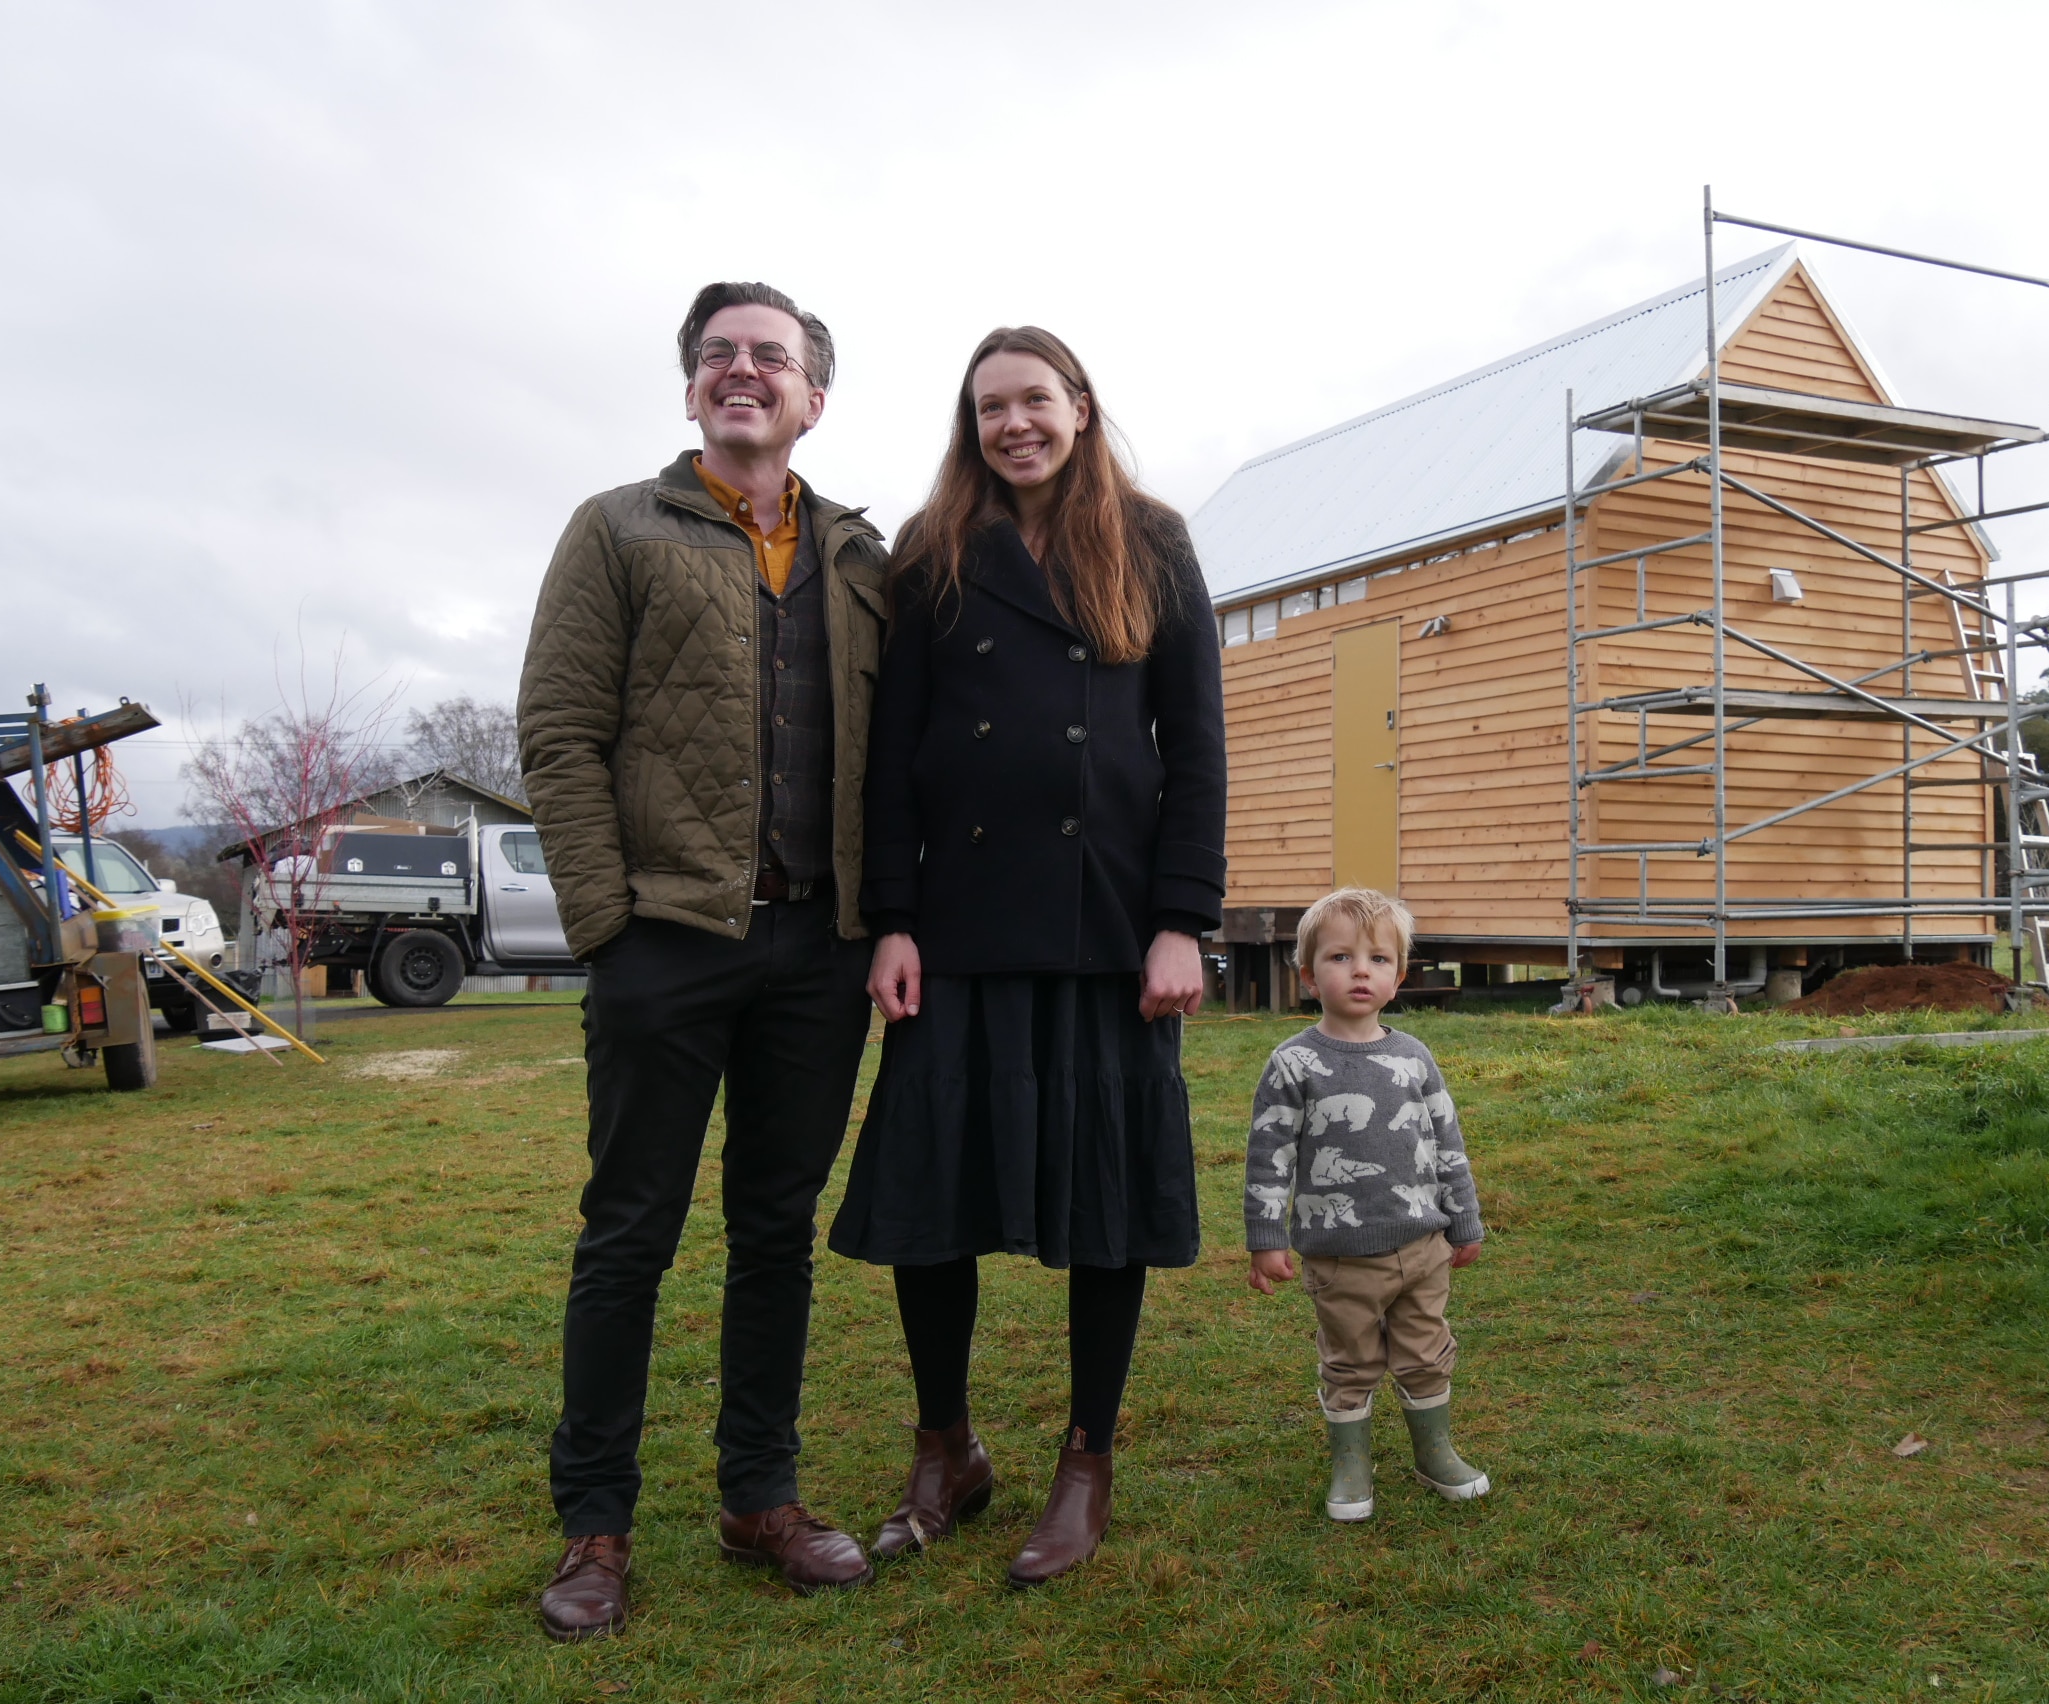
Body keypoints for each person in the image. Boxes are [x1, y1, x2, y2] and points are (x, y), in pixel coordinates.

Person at [517, 281, 892, 1641]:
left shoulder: (860, 558)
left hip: (817, 953)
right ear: (690, 391)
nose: (745, 373)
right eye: (720, 357)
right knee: (629, 1235)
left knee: (774, 1235)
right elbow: (557, 732)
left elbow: (892, 751)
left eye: (771, 359)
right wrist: (607, 925)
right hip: (663, 946)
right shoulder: (615, 528)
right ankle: (594, 1528)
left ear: (811, 397)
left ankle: (759, 1496)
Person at [828, 325, 1227, 1588]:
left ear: (1080, 408)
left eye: (1033, 402)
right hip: (960, 924)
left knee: (1105, 1201)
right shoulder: (931, 550)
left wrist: (1182, 918)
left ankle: (1085, 1462)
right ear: (970, 423)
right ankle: (944, 1446)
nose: (1014, 425)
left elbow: (1198, 744)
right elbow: (892, 753)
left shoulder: (1151, 538)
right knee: (931, 1197)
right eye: (990, 406)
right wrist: (892, 915)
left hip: (1108, 925)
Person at [1243, 888, 1489, 1522]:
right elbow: (1270, 1156)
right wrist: (1266, 1237)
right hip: (1341, 1254)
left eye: (1378, 959)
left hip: (1424, 1246)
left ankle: (1434, 1451)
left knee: (1426, 1349)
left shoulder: (1414, 1058)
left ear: (1399, 976)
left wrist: (1464, 1219)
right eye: (1341, 957)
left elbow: (1446, 1143)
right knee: (1350, 1359)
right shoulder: (1294, 1063)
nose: (1360, 970)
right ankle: (1350, 1463)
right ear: (1307, 974)